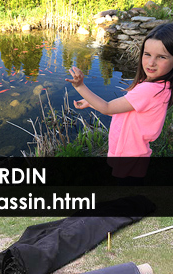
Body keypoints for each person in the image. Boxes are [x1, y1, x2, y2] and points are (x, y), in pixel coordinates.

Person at [66, 23, 173, 183]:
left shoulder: (149, 90)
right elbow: (119, 109)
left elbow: (107, 108)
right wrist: (90, 102)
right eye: (147, 54)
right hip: (134, 151)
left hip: (128, 153)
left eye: (161, 57)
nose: (151, 63)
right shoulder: (161, 86)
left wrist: (80, 86)